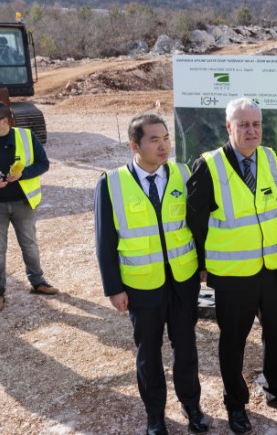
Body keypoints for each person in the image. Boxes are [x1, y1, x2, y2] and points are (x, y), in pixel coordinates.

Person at [187, 98, 277, 434]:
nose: (251, 130)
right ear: (229, 128)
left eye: (255, 124)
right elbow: (194, 221)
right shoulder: (208, 166)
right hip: (232, 276)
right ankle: (235, 404)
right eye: (243, 125)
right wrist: (201, 264)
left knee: (276, 335)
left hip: (272, 269)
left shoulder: (271, 159)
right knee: (234, 342)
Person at [95, 113, 207, 435]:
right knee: (149, 354)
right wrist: (113, 288)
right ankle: (155, 415)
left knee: (186, 347)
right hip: (142, 286)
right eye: (154, 140)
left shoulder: (183, 174)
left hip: (182, 281)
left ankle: (192, 406)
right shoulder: (111, 183)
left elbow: (195, 226)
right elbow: (105, 241)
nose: (163, 146)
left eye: (166, 138)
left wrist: (200, 264)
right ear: (135, 145)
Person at [0, 100, 57, 313]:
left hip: (22, 203)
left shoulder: (26, 137)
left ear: (4, 121)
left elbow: (43, 164)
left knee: (29, 244)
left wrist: (22, 174)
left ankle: (38, 282)